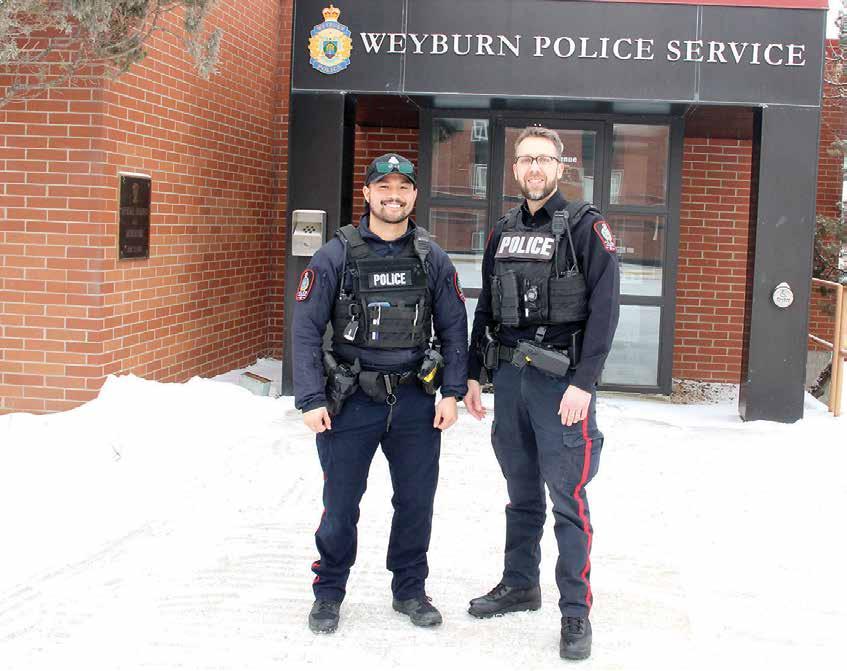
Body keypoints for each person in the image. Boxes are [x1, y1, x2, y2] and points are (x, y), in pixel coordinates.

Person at [293, 153, 468, 634]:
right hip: (350, 401)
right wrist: (310, 398)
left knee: (415, 502)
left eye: (403, 188)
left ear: (414, 195)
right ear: (367, 193)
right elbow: (306, 330)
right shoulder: (335, 255)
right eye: (384, 187)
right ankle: (328, 592)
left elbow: (454, 327)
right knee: (340, 505)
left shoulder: (432, 257)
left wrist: (451, 392)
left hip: (415, 401)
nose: (394, 196)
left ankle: (410, 590)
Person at [464, 127, 620, 660]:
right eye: (525, 159)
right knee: (521, 491)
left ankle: (575, 611)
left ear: (560, 166)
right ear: (514, 169)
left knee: (568, 499)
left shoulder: (586, 227)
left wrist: (584, 383)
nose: (534, 168)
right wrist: (473, 373)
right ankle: (520, 584)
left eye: (544, 159)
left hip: (561, 384)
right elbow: (487, 306)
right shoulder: (502, 231)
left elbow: (605, 311)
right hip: (511, 380)